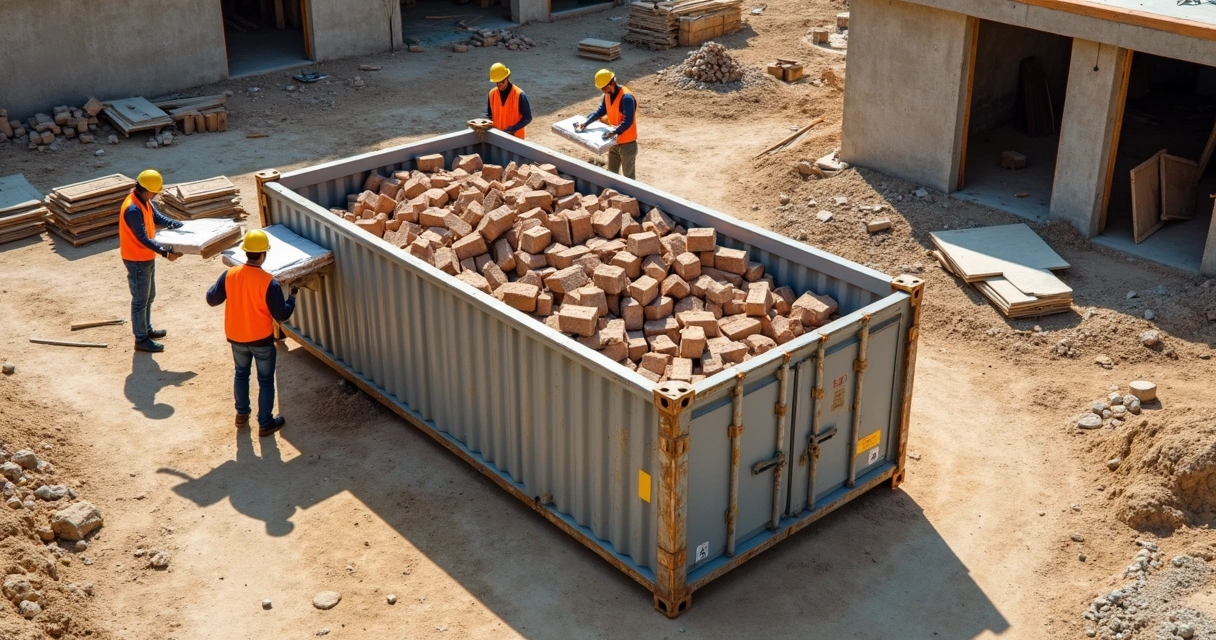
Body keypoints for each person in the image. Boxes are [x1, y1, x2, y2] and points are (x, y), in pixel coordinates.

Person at [205, 230, 297, 437]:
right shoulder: (268, 282)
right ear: (264, 254)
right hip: (261, 339)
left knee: (241, 374)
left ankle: (241, 415)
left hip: (236, 337)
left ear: (246, 252)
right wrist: (291, 299)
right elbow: (281, 315)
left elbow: (212, 299)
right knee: (265, 381)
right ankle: (265, 423)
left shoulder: (230, 274)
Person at [119, 169, 183, 353]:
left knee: (149, 296)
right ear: (145, 189)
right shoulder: (132, 209)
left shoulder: (143, 200)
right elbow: (143, 238)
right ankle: (141, 339)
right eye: (154, 192)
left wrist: (177, 224)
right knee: (140, 300)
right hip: (136, 259)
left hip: (146, 257)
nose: (155, 195)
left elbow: (156, 217)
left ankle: (146, 330)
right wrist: (165, 253)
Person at [575, 69, 638, 180]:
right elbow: (600, 111)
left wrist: (613, 131)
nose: (603, 91)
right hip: (613, 142)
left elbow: (628, 121)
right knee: (611, 175)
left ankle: (632, 197)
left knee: (629, 178)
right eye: (601, 89)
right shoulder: (607, 95)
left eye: (605, 88)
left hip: (627, 144)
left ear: (612, 82)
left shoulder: (626, 98)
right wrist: (586, 122)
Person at [486, 62, 532, 139]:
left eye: (501, 82)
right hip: (498, 137)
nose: (499, 85)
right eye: (497, 83)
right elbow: (489, 114)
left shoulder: (519, 95)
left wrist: (512, 129)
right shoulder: (492, 93)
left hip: (515, 139)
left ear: (507, 77)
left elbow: (527, 117)